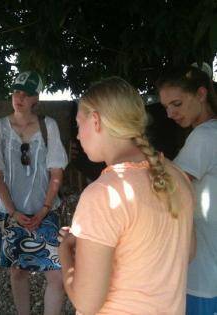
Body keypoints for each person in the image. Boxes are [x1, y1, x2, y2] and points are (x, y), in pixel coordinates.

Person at [59, 76, 195, 314]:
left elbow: (86, 302)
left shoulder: (102, 195)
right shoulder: (176, 175)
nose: (78, 136)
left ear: (95, 121)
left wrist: (65, 254)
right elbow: (187, 252)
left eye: (79, 125)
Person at [0, 71, 68, 315]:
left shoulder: (48, 125)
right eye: (16, 91)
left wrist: (44, 210)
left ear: (36, 98)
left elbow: (56, 173)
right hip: (12, 211)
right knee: (18, 269)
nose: (19, 97)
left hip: (45, 209)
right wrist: (13, 212)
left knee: (56, 274)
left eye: (26, 93)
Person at [157, 65, 217, 315]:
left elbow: (168, 189)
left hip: (203, 268)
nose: (170, 113)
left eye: (177, 104)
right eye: (166, 107)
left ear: (201, 94)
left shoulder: (204, 137)